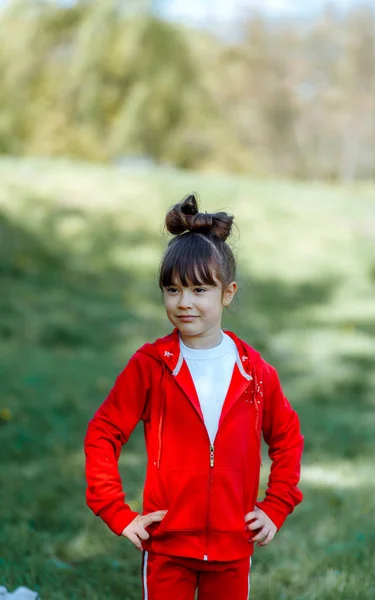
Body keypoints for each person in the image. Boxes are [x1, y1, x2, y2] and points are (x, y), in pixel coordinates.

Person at [84, 194, 304, 600]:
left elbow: (288, 439)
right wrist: (115, 510)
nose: (184, 302)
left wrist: (276, 506)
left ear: (227, 292)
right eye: (173, 289)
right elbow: (103, 433)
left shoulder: (255, 373)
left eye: (199, 289)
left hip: (233, 548)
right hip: (167, 545)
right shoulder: (150, 366)